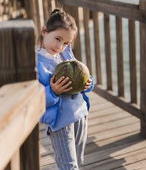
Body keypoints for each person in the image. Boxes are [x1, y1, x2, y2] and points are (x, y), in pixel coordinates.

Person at [36, 9, 94, 170]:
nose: (60, 46)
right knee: (68, 166)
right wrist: (53, 91)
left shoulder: (65, 54)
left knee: (78, 161)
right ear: (44, 31)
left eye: (66, 43)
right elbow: (36, 99)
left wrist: (89, 83)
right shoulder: (37, 63)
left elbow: (82, 74)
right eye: (58, 39)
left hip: (80, 114)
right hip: (61, 122)